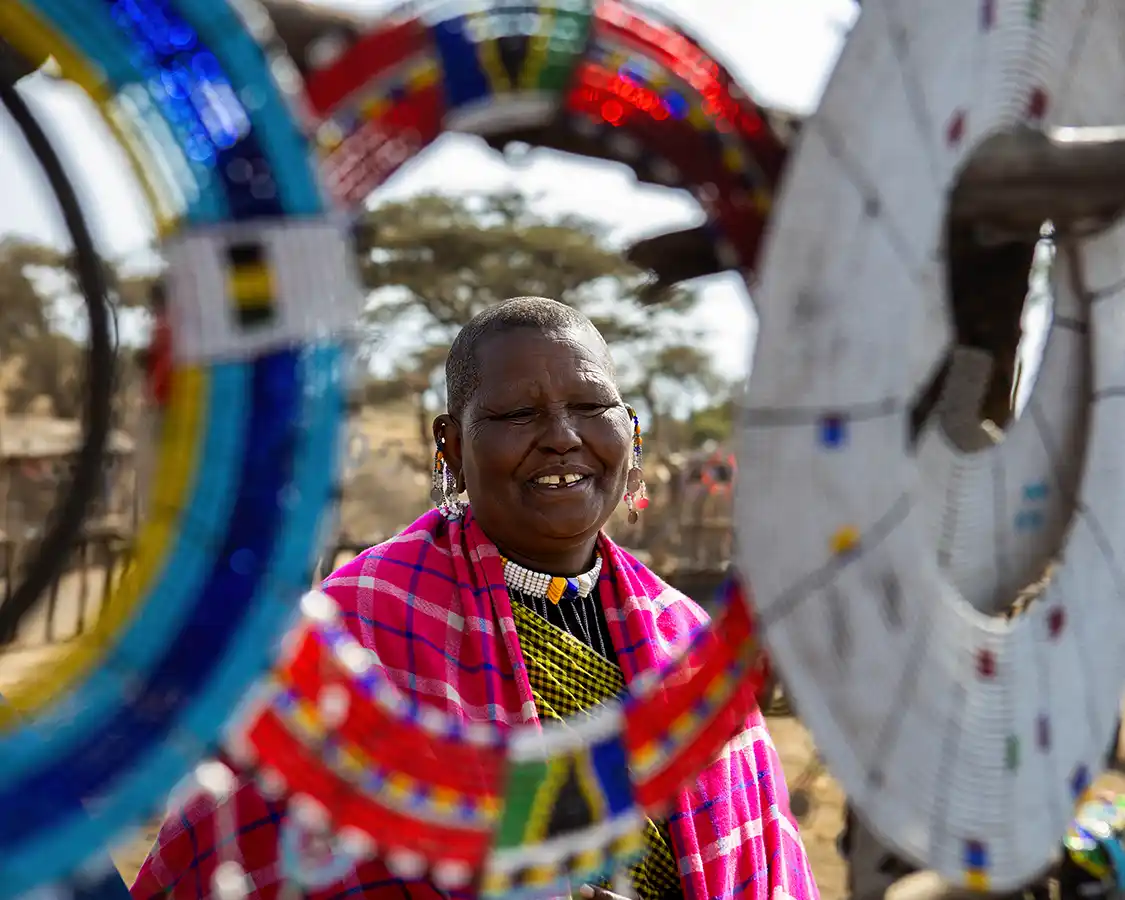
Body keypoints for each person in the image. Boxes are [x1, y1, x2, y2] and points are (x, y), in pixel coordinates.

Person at [130, 297, 818, 900]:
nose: (562, 436)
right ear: (450, 445)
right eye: (518, 413)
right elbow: (240, 850)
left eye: (590, 406)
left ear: (629, 430)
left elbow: (758, 865)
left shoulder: (687, 642)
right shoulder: (356, 628)